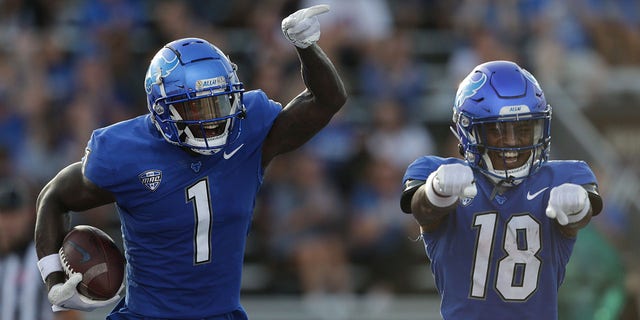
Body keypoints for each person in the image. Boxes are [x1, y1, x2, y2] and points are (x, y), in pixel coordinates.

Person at [34, 4, 346, 320]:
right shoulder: (125, 151)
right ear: (162, 108)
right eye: (197, 109)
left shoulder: (247, 134)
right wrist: (53, 279)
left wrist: (306, 47)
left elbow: (326, 100)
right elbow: (54, 196)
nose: (213, 119)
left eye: (219, 103)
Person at [400, 60, 603, 319]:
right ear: (469, 131)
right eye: (497, 130)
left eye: (523, 129)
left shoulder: (564, 178)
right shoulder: (437, 174)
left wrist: (579, 207)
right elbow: (423, 210)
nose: (512, 142)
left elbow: (581, 216)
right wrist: (436, 192)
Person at [0, 177, 81, 320]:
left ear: (30, 214)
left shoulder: (46, 256)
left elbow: (69, 314)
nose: (8, 223)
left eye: (14, 214)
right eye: (4, 215)